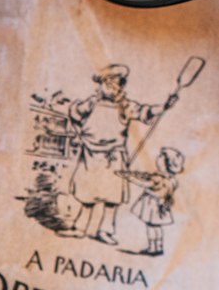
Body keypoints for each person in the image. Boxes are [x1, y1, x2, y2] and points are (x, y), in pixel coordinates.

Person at [65, 63, 170, 245]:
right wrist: (78, 132)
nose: (114, 87)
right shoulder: (92, 102)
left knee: (112, 197)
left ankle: (105, 230)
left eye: (118, 83)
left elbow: (145, 111)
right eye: (109, 83)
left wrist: (164, 106)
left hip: (113, 156)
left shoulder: (125, 106)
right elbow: (75, 113)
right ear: (102, 84)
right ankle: (80, 227)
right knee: (86, 193)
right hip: (91, 154)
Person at [129, 147, 185, 256]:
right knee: (157, 227)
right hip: (162, 205)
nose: (157, 158)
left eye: (160, 156)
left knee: (151, 226)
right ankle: (158, 247)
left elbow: (145, 184)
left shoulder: (158, 178)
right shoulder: (171, 180)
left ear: (166, 163)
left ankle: (152, 248)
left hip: (152, 205)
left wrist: (131, 179)